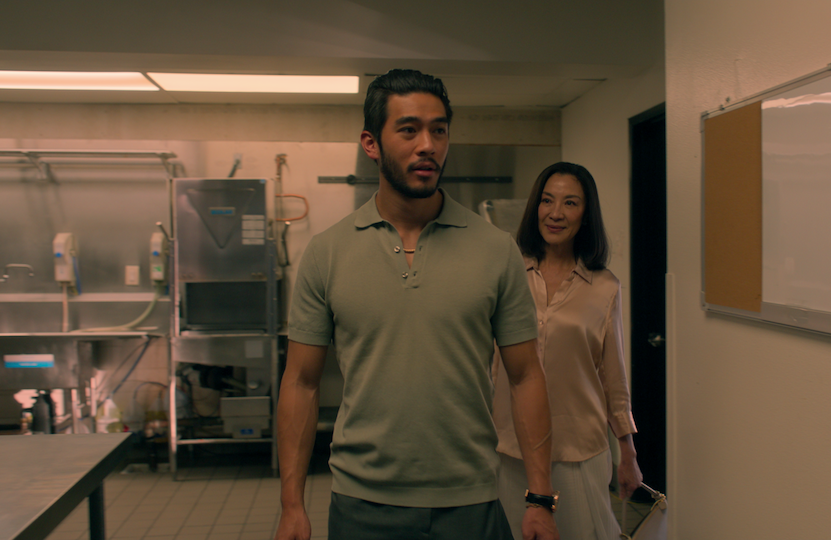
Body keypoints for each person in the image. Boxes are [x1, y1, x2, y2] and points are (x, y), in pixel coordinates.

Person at [275, 69, 560, 540]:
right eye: (409, 130)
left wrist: (539, 497)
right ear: (371, 144)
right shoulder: (327, 253)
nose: (427, 144)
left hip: (469, 501)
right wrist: (292, 506)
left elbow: (526, 374)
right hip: (362, 504)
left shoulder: (495, 249)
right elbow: (302, 383)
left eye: (439, 130)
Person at [492, 162, 643, 539]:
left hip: (578, 449)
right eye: (547, 200)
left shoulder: (605, 287)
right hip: (511, 448)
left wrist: (628, 453)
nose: (556, 213)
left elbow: (613, 377)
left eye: (570, 203)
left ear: (586, 214)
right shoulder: (508, 274)